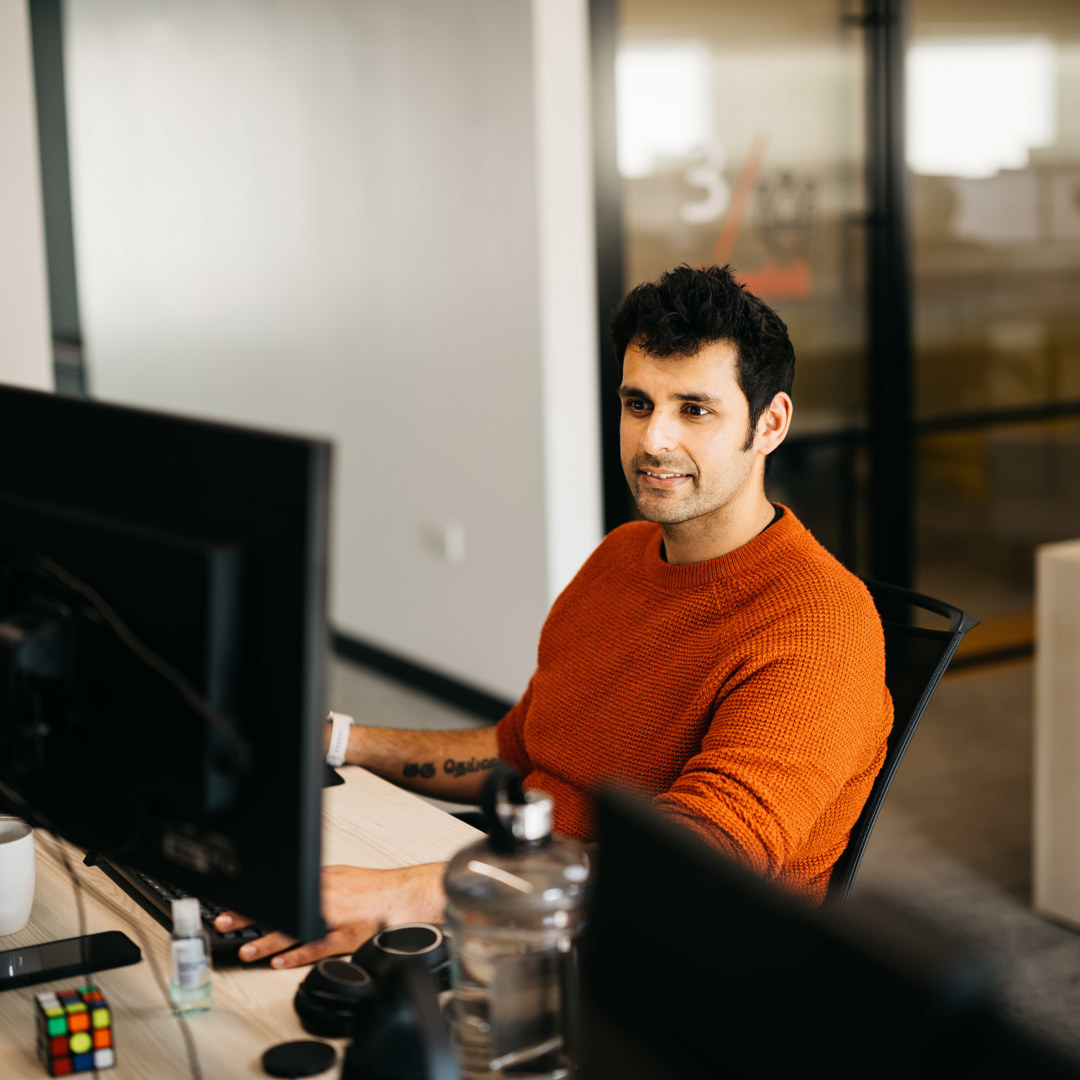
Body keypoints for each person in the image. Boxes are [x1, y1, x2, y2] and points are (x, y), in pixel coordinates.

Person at [217, 264, 892, 967]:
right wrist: (335, 740)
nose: (654, 440)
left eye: (695, 409)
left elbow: (688, 874)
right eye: (638, 404)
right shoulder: (624, 554)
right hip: (524, 894)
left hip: (668, 965)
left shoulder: (820, 625)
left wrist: (416, 893)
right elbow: (519, 752)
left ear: (771, 423)